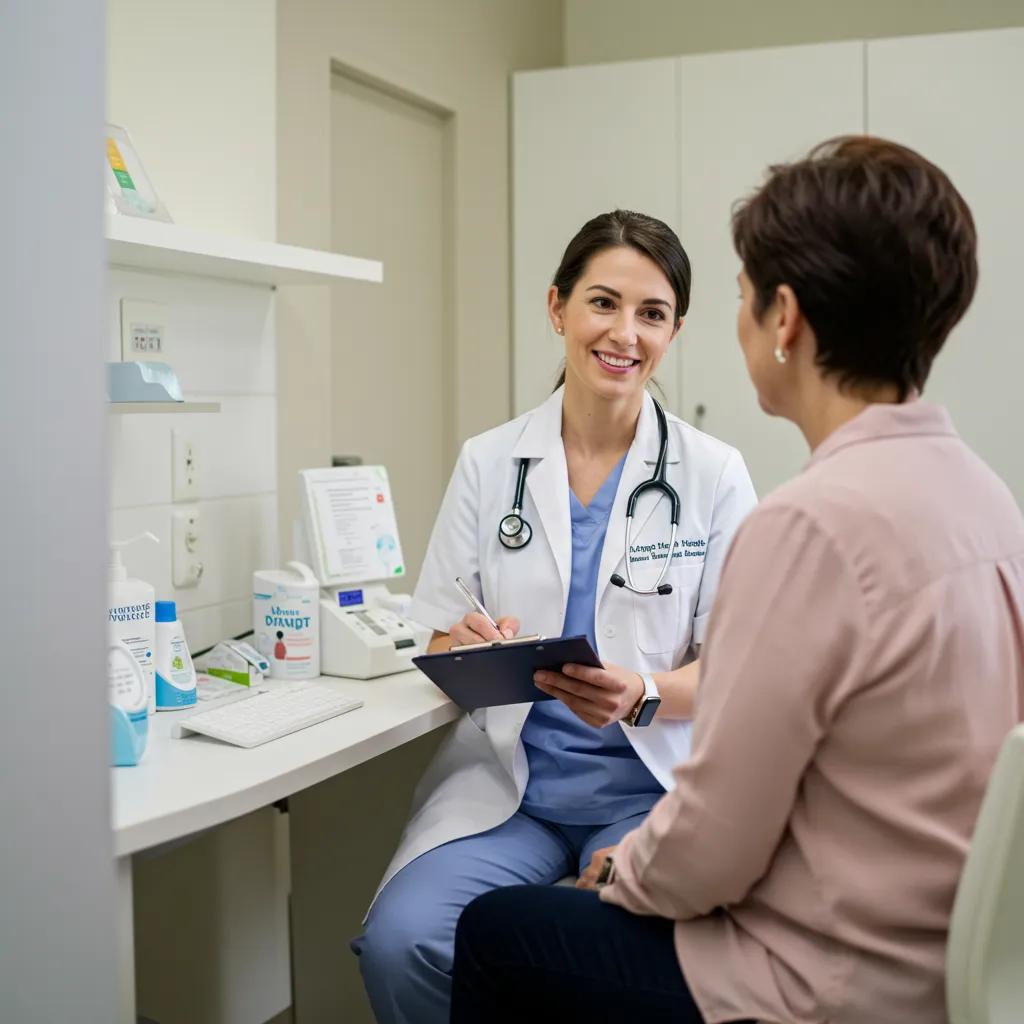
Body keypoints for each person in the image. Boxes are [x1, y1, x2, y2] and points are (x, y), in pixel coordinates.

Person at [449, 137, 1024, 1024]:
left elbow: (717, 843)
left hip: (829, 973)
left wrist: (622, 869)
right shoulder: (992, 504)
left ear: (783, 318)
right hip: (954, 954)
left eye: (742, 298)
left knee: (496, 933)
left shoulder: (805, 528)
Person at [352, 210, 758, 1024]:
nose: (625, 333)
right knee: (402, 941)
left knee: (600, 955)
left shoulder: (714, 475)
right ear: (557, 309)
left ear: (675, 330)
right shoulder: (488, 461)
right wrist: (465, 644)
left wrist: (640, 692)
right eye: (603, 303)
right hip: (512, 792)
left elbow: (742, 671)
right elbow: (437, 631)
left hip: (651, 792)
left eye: (652, 314)